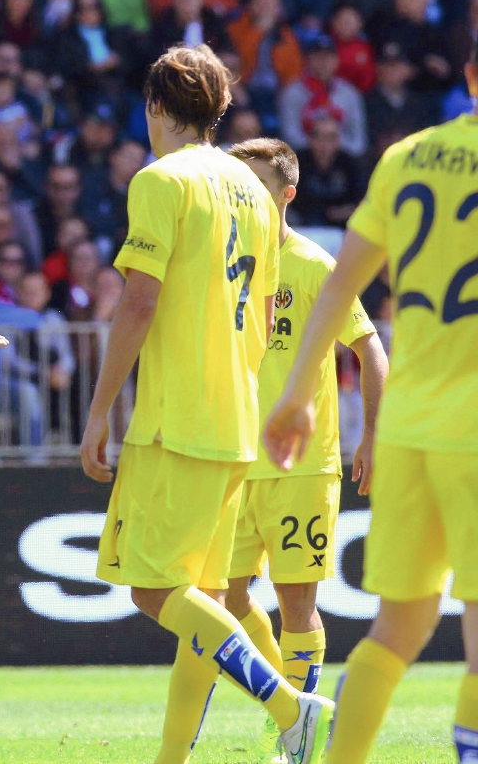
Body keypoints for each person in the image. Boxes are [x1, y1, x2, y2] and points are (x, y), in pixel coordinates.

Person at [77, 44, 334, 764]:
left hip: (178, 418)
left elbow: (139, 300)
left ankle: (293, 707)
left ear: (157, 106)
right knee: (205, 598)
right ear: (217, 109)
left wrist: (101, 411)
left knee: (156, 593)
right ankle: (173, 757)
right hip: (237, 421)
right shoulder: (253, 190)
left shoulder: (162, 180)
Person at [264, 42, 478, 764]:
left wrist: (296, 396)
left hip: (414, 425)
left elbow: (340, 284)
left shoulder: (406, 156)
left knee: (398, 629)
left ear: (468, 77)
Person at [222, 138, 388, 758]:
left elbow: (371, 350)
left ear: (286, 194)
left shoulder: (314, 265)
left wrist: (372, 434)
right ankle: (290, 706)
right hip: (234, 460)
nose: (241, 194)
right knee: (225, 600)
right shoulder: (226, 262)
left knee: (297, 603)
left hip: (302, 466)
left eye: (255, 183)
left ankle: (291, 742)